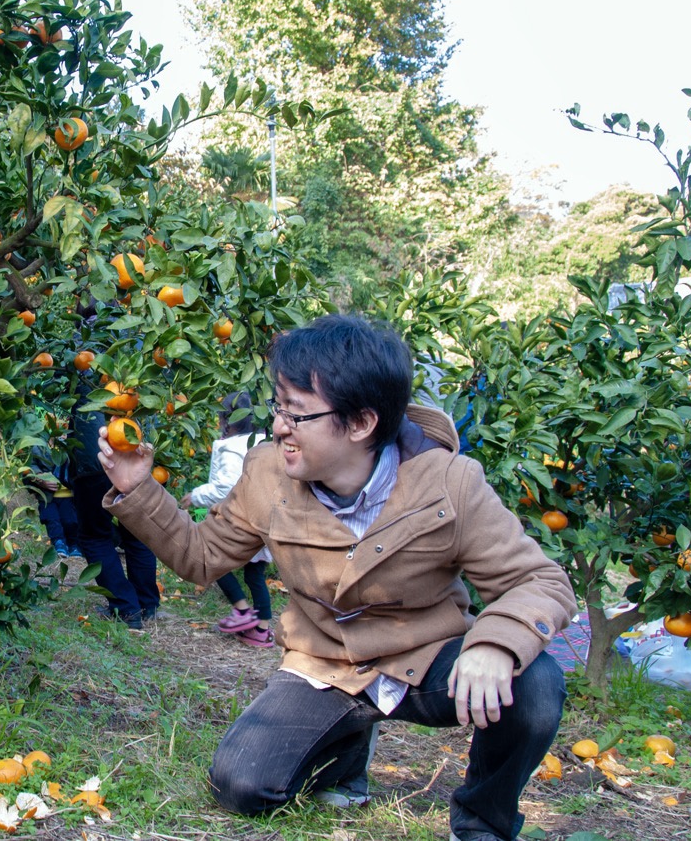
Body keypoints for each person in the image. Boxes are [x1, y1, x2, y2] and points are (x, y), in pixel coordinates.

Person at [97, 314, 576, 841]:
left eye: (297, 414)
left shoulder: (449, 483)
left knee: (533, 684)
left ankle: (484, 820)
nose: (279, 426)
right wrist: (139, 491)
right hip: (326, 663)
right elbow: (201, 557)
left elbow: (541, 581)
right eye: (279, 407)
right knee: (242, 785)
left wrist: (496, 644)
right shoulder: (267, 473)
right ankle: (345, 754)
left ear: (360, 423)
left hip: (425, 657)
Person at [179, 391, 274, 648]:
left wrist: (196, 495)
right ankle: (263, 629)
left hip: (240, 520)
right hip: (261, 521)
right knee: (255, 576)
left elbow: (226, 487)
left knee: (214, 562)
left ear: (226, 419)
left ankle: (242, 611)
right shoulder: (262, 442)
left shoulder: (233, 449)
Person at [68, 374, 160, 629]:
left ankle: (127, 609)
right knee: (137, 534)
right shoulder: (140, 349)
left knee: (94, 536)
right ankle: (147, 605)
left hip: (94, 460)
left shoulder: (84, 349)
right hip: (134, 451)